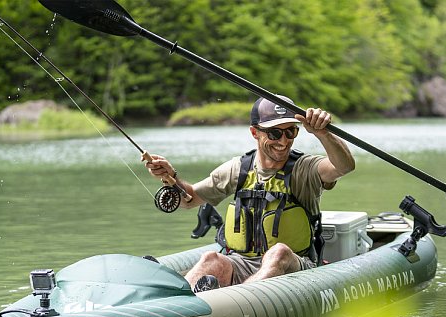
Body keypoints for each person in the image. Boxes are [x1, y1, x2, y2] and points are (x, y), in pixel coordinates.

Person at [145, 95, 355, 292]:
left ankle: (235, 301)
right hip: (242, 262)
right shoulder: (238, 169)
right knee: (212, 259)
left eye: (290, 132)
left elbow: (343, 166)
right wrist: (171, 177)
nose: (283, 141)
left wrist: (322, 133)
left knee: (278, 252)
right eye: (274, 133)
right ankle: (175, 301)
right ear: (255, 133)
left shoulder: (306, 168)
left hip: (295, 265)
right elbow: (188, 199)